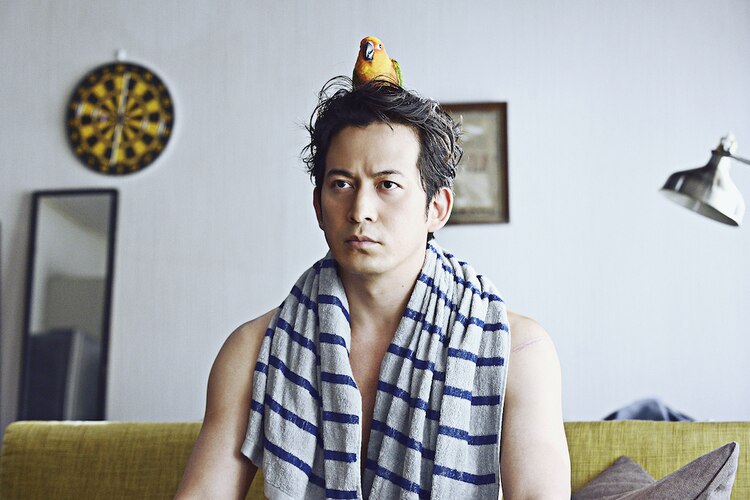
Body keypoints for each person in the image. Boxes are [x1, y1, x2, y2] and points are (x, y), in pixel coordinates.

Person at [175, 77, 570, 499]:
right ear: (318, 207)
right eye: (341, 184)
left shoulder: (518, 350)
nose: (360, 210)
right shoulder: (254, 350)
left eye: (388, 185)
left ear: (436, 208)